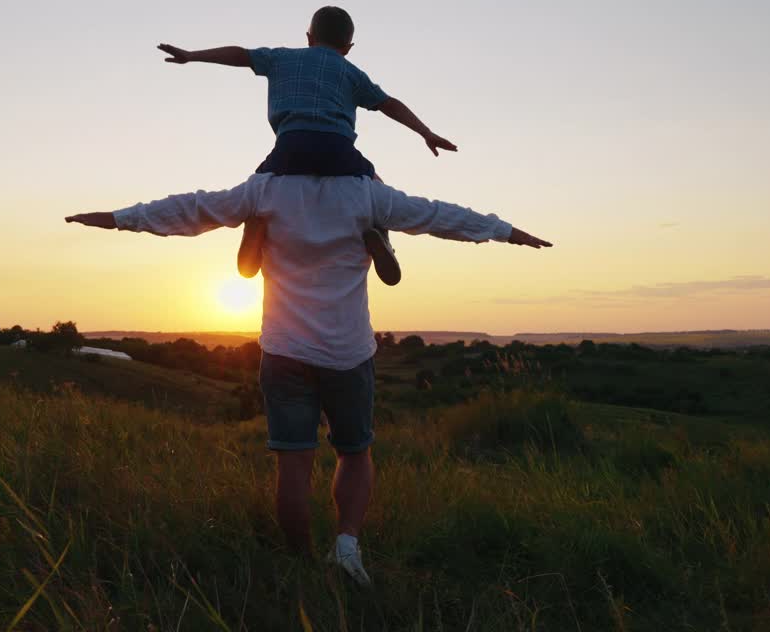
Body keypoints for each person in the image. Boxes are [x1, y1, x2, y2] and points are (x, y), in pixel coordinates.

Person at [65, 175, 550, 585]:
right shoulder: (367, 190)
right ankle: (346, 547)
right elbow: (440, 216)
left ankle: (298, 565)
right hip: (349, 350)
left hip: (286, 350)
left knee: (293, 465)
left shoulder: (266, 187)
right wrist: (506, 231)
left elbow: (192, 210)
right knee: (354, 451)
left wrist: (116, 217)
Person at [156, 5, 457, 286]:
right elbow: (390, 104)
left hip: (291, 147)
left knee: (258, 188)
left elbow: (240, 55)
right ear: (348, 48)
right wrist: (425, 132)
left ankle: (255, 229)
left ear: (309, 37)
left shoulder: (281, 58)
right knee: (376, 187)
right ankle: (380, 234)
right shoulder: (351, 72)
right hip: (338, 150)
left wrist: (192, 55)